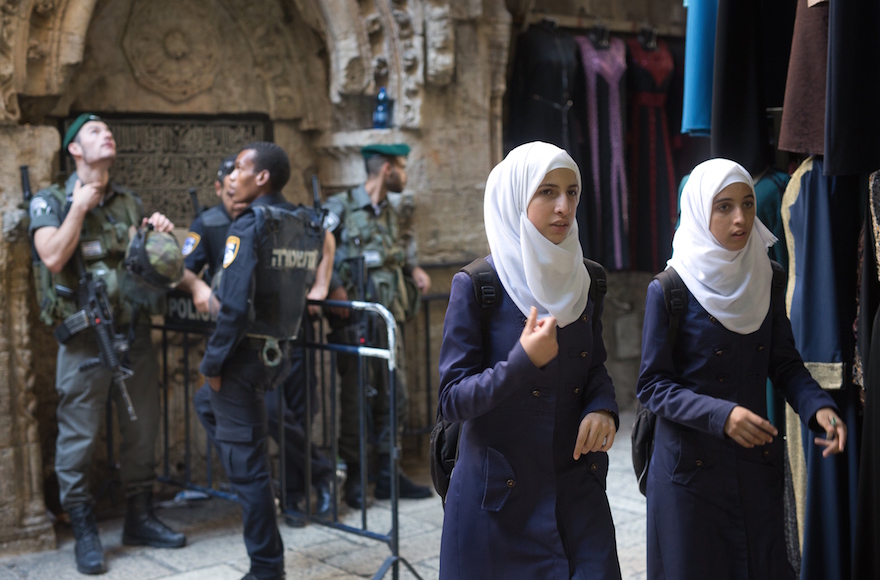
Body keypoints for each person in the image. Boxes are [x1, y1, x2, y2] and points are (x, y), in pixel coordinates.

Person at [637, 158, 847, 580]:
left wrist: (816, 406)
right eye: (724, 206)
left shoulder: (766, 276)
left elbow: (783, 361)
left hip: (752, 467)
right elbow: (652, 386)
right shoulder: (669, 289)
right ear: (698, 211)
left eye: (748, 204)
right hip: (688, 477)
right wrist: (722, 415)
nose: (740, 219)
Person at [436, 142, 622, 579]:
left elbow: (594, 367)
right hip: (498, 502)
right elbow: (451, 400)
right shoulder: (479, 284)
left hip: (574, 491)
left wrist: (602, 408)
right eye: (546, 192)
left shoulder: (587, 278)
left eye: (572, 192)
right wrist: (521, 361)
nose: (563, 207)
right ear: (517, 197)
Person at [28, 113, 186, 575]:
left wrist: (158, 237)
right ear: (74, 149)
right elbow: (53, 256)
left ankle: (139, 517)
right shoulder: (50, 201)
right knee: (78, 436)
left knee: (143, 429)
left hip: (131, 333)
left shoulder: (127, 203)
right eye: (94, 132)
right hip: (83, 342)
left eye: (108, 130)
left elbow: (147, 269)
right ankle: (84, 529)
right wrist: (78, 207)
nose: (106, 135)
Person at [197, 142, 326, 580]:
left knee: (248, 469)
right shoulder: (303, 223)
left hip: (242, 360)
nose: (232, 175)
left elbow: (233, 308)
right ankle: (252, 472)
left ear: (262, 177)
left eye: (239, 168)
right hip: (278, 353)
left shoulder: (249, 226)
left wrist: (212, 365)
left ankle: (267, 567)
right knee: (205, 407)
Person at [323, 143, 433, 508]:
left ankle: (388, 474)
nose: (405, 174)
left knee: (394, 396)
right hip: (355, 319)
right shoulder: (340, 207)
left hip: (391, 317)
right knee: (357, 396)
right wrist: (334, 287)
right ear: (387, 169)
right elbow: (318, 248)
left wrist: (413, 268)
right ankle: (355, 476)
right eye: (402, 166)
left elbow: (399, 249)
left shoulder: (392, 212)